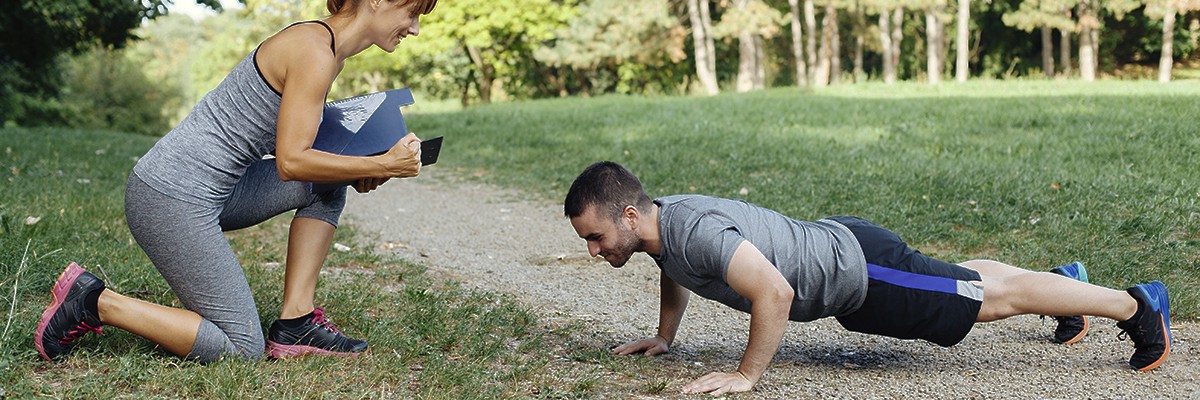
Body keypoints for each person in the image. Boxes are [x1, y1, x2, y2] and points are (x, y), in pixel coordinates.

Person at [35, 0, 439, 363]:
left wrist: (367, 168)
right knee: (241, 347)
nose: (415, 27)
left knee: (328, 187)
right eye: (412, 12)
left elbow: (307, 158)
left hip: (220, 191)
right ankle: (94, 301)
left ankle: (296, 322)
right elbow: (292, 162)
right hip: (169, 194)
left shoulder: (329, 53)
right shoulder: (312, 51)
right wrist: (386, 163)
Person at [563, 161, 1172, 395]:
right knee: (961, 280)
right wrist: (666, 335)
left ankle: (1136, 306)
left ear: (631, 214)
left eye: (595, 236)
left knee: (989, 300)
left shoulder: (690, 229)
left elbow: (774, 291)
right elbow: (676, 273)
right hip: (849, 259)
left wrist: (747, 375)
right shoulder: (660, 230)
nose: (593, 249)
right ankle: (1062, 287)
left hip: (858, 271)